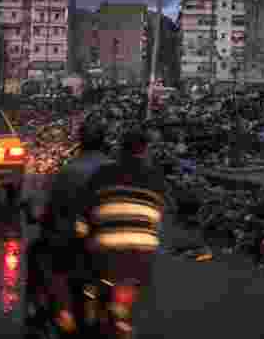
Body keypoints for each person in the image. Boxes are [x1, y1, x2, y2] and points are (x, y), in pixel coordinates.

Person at [26, 117, 112, 332]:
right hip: (112, 241)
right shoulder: (115, 169)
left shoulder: (68, 171)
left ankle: (57, 312)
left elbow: (48, 207)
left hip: (74, 241)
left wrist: (39, 215)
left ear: (80, 141)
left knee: (40, 254)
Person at [81, 129, 167, 288]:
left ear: (120, 149)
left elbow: (86, 207)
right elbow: (159, 217)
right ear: (145, 151)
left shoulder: (103, 173)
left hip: (105, 245)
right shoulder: (157, 179)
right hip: (144, 248)